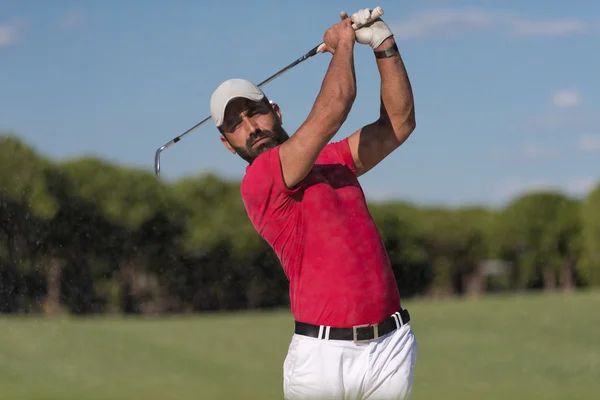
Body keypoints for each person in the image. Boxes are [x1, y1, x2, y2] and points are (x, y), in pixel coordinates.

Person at [209, 8, 417, 400]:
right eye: (235, 125)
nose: (251, 128)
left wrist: (384, 46)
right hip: (323, 358)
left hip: (390, 346)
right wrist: (343, 44)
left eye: (254, 111)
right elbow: (336, 105)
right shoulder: (261, 180)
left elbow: (399, 124)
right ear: (226, 143)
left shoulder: (334, 158)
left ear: (276, 111)